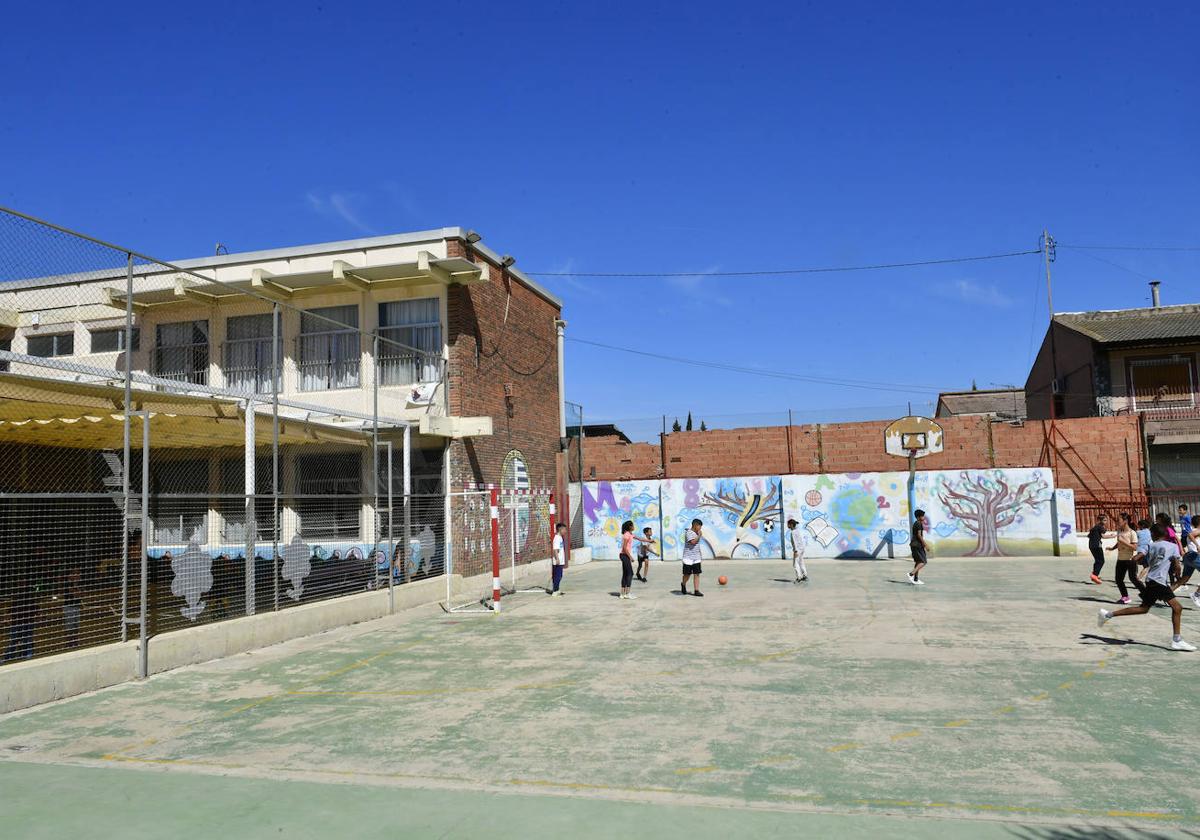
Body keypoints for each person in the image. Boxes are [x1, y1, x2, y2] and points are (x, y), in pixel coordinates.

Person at [1098, 522, 1196, 651]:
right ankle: (1177, 640)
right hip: (1159, 582)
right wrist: (1176, 571)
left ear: (1153, 534)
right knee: (1177, 607)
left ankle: (1108, 614)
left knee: (1143, 609)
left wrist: (1138, 562)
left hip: (1150, 580)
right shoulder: (1173, 546)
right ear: (1166, 534)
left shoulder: (1150, 545)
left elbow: (1137, 558)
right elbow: (1177, 566)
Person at [1107, 512, 1142, 604]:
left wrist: (1122, 541)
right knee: (1118, 580)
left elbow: (1135, 547)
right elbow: (1119, 542)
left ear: (1125, 521)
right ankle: (1125, 597)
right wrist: (1112, 548)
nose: (1117, 522)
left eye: (1119, 520)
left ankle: (1146, 594)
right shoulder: (1119, 531)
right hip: (1120, 559)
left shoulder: (1132, 533)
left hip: (1130, 560)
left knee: (1133, 579)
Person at [618, 520, 652, 600]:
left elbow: (640, 539)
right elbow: (624, 548)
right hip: (624, 555)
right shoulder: (626, 535)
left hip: (625, 555)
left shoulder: (630, 534)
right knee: (630, 574)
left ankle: (622, 594)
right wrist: (630, 557)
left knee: (625, 574)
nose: (634, 526)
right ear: (630, 527)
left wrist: (649, 541)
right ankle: (627, 593)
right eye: (633, 525)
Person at [1171, 514, 1200, 607]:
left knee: (1183, 579)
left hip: (1188, 557)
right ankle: (1196, 595)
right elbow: (1190, 535)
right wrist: (1197, 545)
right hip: (1194, 556)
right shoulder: (1197, 531)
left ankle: (1166, 594)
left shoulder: (1195, 530)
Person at [681, 518, 704, 597]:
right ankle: (683, 584)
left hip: (696, 557)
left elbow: (697, 545)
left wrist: (700, 554)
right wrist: (699, 535)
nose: (700, 528)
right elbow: (693, 542)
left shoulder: (696, 533)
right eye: (699, 526)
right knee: (687, 574)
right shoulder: (689, 533)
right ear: (695, 525)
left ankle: (696, 590)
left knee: (697, 574)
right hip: (688, 558)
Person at [908, 509, 928, 586]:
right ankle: (911, 574)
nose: (924, 517)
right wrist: (925, 545)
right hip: (917, 545)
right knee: (923, 562)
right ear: (919, 517)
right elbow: (919, 535)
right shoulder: (919, 524)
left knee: (918, 562)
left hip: (914, 545)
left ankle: (916, 578)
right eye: (923, 516)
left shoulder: (916, 523)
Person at [1087, 515, 1107, 585]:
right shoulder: (1100, 527)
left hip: (1091, 545)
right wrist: (1113, 536)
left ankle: (1095, 575)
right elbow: (1103, 535)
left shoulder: (1095, 527)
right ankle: (1094, 575)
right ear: (1100, 520)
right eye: (1104, 520)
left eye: (1106, 520)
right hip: (1097, 546)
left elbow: (1088, 536)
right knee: (1101, 561)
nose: (1106, 522)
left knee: (1097, 560)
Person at [786, 518, 808, 583]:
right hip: (802, 549)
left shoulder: (793, 532)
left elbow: (795, 542)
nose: (787, 526)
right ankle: (805, 575)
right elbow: (802, 540)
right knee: (801, 562)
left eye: (788, 524)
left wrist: (795, 551)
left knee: (795, 564)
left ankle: (799, 577)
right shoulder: (798, 530)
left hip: (797, 550)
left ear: (791, 525)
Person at [549, 523, 567, 597]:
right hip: (558, 561)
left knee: (559, 575)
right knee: (558, 576)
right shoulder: (557, 538)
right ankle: (555, 591)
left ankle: (557, 589)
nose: (565, 531)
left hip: (560, 560)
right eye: (564, 529)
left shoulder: (560, 537)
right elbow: (555, 550)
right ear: (560, 529)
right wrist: (557, 559)